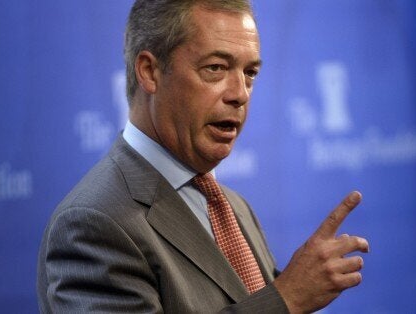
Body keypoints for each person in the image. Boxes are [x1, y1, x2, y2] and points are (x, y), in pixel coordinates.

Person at [36, 0, 370, 313]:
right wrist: (286, 298)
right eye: (216, 68)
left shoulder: (232, 205)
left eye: (250, 73)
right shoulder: (92, 223)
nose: (239, 94)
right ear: (150, 71)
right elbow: (278, 302)